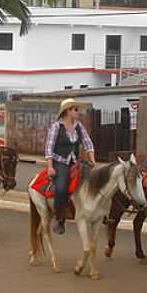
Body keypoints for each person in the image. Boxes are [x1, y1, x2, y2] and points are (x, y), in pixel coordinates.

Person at [44, 98, 96, 234]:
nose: (77, 112)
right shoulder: (56, 127)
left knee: (94, 180)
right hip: (60, 162)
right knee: (61, 187)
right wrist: (50, 167)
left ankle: (97, 212)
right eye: (75, 109)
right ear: (67, 111)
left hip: (76, 161)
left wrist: (92, 159)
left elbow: (87, 142)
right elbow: (49, 148)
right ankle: (60, 219)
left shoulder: (78, 126)